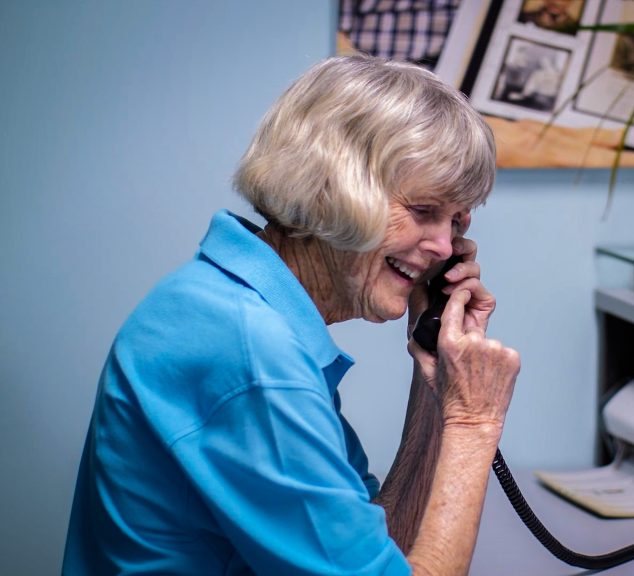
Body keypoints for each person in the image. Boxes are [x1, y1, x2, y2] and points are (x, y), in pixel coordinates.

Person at [62, 54, 521, 575]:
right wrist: (473, 421)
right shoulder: (252, 356)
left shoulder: (229, 305)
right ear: (334, 187)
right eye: (423, 212)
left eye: (456, 220)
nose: (445, 246)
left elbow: (379, 548)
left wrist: (435, 382)